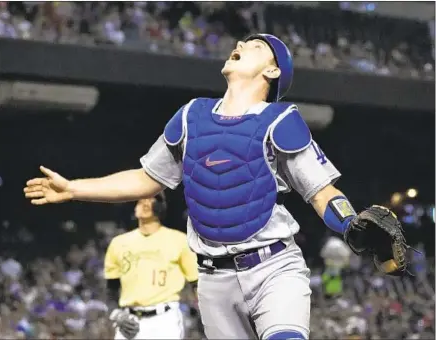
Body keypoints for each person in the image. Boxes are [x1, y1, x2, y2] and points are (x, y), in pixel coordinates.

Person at [24, 33, 407, 340]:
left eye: (254, 47)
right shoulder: (191, 115)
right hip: (212, 280)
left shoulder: (280, 120)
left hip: (272, 266)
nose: (239, 46)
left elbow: (321, 191)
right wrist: (74, 188)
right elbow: (147, 178)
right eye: (241, 43)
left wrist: (350, 223)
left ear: (272, 73)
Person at [104, 193, 198, 339]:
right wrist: (116, 314)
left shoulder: (179, 240)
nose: (146, 203)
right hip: (129, 320)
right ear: (135, 209)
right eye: (141, 201)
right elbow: (111, 290)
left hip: (165, 319)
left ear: (162, 207)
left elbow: (197, 284)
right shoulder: (118, 243)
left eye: (153, 199)